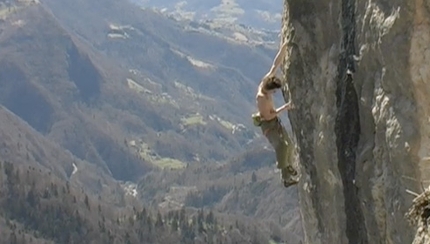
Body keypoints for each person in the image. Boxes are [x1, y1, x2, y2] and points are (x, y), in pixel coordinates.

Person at [252, 40, 299, 188]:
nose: (274, 93)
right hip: (268, 124)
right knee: (281, 147)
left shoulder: (266, 81)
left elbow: (275, 65)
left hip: (274, 121)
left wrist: (284, 48)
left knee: (289, 145)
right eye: (273, 91)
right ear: (268, 90)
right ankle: (286, 177)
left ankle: (288, 166)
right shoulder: (261, 98)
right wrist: (284, 108)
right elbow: (268, 116)